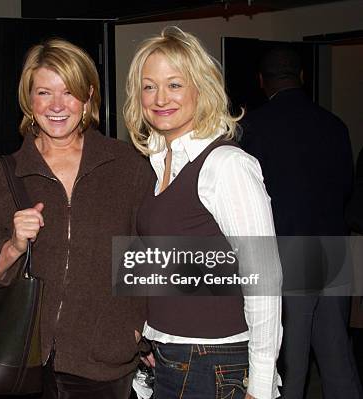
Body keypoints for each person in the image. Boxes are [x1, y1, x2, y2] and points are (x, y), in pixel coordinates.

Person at [0, 38, 153, 399]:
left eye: (69, 92)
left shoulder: (128, 168)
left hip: (103, 361)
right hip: (22, 361)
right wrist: (11, 247)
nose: (57, 106)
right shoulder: (2, 175)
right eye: (44, 92)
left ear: (88, 96)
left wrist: (136, 329)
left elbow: (149, 257)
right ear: (29, 99)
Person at [124, 27, 282, 399]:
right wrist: (149, 333)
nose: (160, 98)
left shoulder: (226, 164)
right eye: (149, 86)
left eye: (175, 84)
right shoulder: (155, 164)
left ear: (201, 89)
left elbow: (265, 279)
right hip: (168, 356)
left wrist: (260, 385)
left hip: (214, 361)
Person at [240, 46, 362, 398]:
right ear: (302, 77)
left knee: (289, 365)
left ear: (262, 81)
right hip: (334, 248)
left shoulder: (254, 127)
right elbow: (345, 188)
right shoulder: (334, 124)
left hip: (287, 251)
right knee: (337, 356)